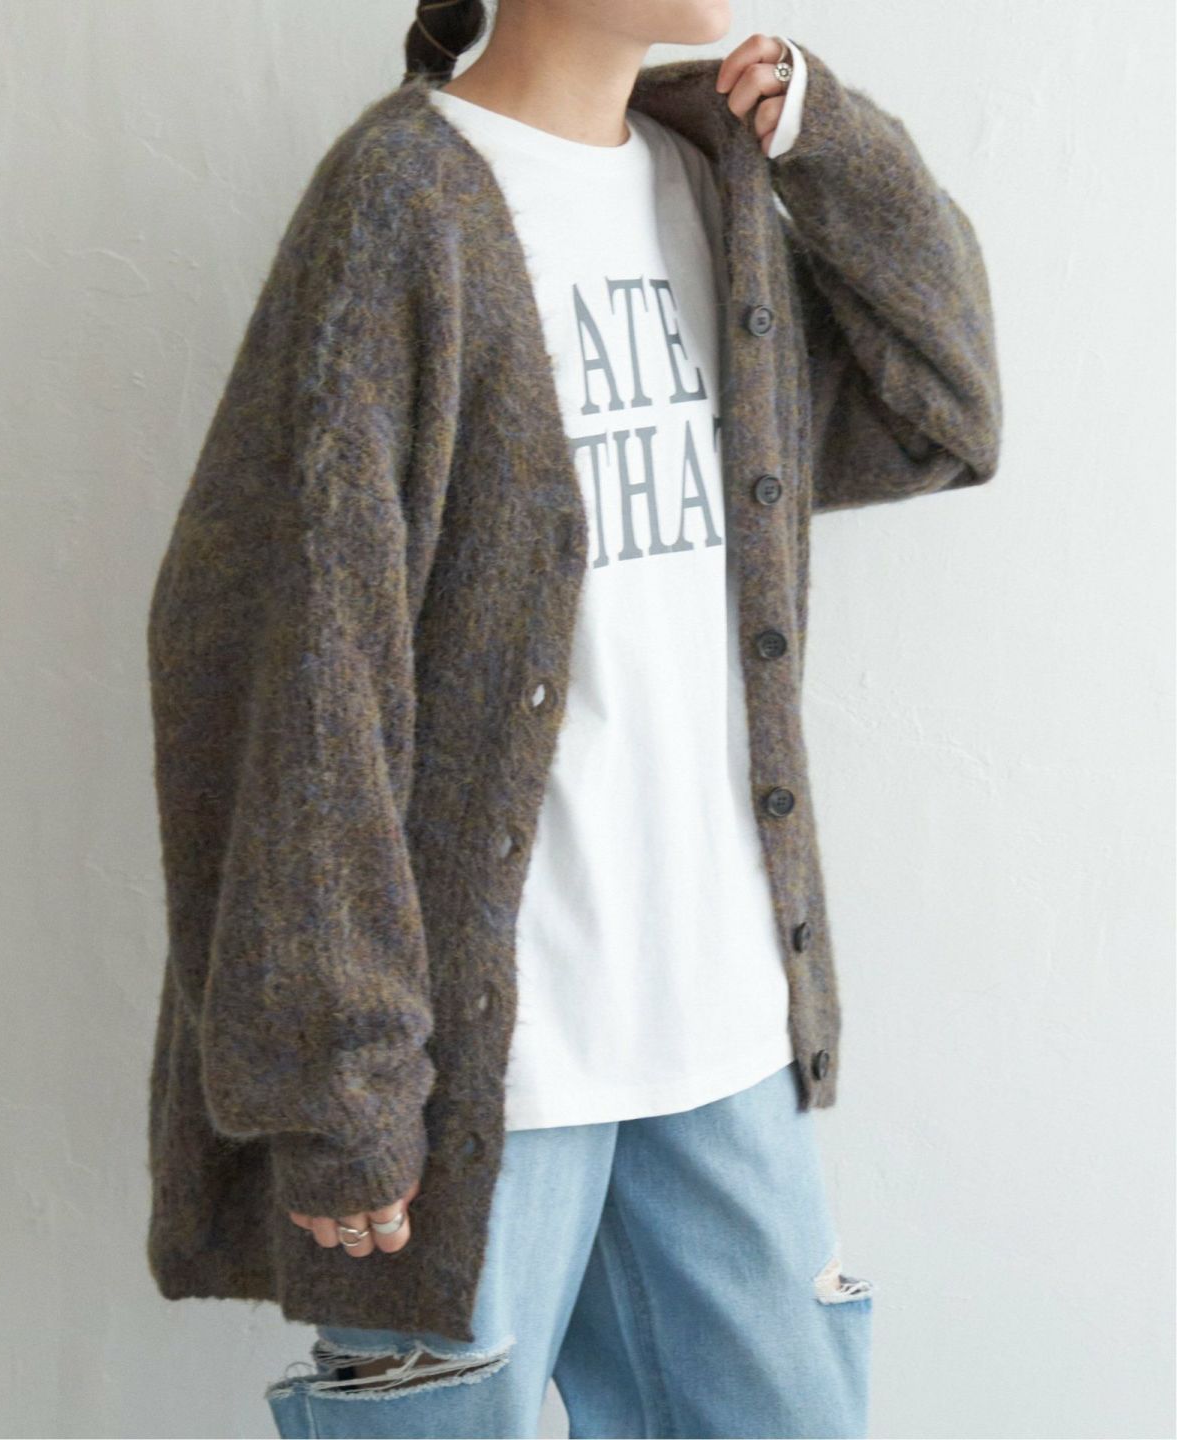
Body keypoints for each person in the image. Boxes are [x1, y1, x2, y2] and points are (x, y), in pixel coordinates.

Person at [143, 0, 1002, 1435]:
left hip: (723, 1033)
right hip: (486, 1083)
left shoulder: (711, 187)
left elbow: (946, 413)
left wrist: (831, 145)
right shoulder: (405, 203)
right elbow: (289, 659)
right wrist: (339, 1080)